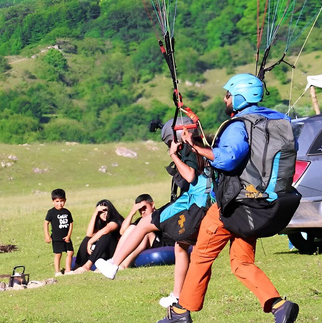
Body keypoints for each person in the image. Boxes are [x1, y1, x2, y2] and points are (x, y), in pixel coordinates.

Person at [156, 74, 299, 323]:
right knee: (241, 263)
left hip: (230, 205)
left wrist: (197, 147)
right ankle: (279, 305)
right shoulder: (277, 120)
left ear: (240, 96)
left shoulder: (238, 125)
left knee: (201, 255)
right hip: (257, 202)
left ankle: (181, 312)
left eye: (229, 94)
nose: (225, 98)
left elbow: (228, 158)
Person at [95, 118, 212, 309]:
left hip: (194, 205)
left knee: (145, 223)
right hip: (206, 207)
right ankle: (177, 295)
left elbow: (190, 175)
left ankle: (113, 265)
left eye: (169, 143)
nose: (170, 147)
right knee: (180, 246)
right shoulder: (204, 148)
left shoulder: (188, 149)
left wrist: (174, 155)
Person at [70, 199, 124, 273]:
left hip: (116, 252)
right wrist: (95, 213)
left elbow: (105, 231)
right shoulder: (102, 223)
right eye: (100, 212)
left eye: (105, 210)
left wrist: (90, 242)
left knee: (105, 235)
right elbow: (89, 234)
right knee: (87, 239)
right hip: (104, 252)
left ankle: (88, 266)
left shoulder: (116, 220)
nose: (104, 214)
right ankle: (78, 266)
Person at [115, 193, 159, 269]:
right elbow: (122, 232)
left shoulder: (159, 215)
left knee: (144, 232)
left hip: (161, 242)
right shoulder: (141, 220)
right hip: (147, 243)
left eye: (144, 208)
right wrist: (132, 212)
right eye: (140, 210)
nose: (142, 212)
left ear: (152, 205)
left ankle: (124, 265)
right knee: (132, 227)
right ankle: (114, 261)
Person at [44, 188, 74, 277]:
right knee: (58, 254)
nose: (59, 203)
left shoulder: (67, 212)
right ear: (53, 201)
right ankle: (57, 271)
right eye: (57, 201)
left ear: (65, 200)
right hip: (56, 238)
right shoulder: (51, 212)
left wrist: (69, 235)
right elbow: (46, 223)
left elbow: (71, 223)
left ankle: (68, 270)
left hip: (66, 238)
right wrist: (47, 235)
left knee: (70, 252)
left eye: (61, 201)